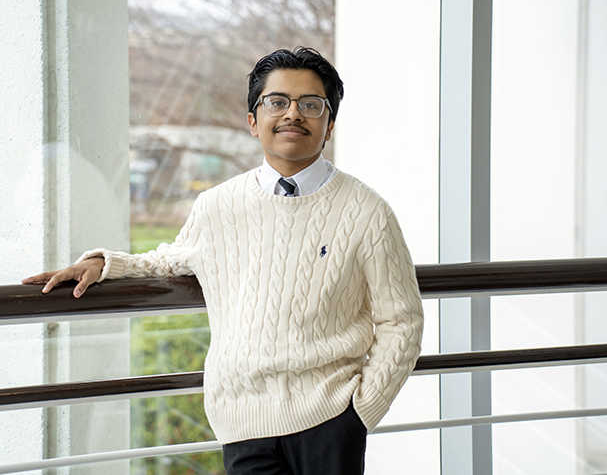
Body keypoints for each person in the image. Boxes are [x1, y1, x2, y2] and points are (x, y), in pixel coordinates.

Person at [23, 47, 424, 475]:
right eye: (277, 102)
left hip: (331, 418)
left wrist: (362, 411)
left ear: (328, 127)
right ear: (253, 121)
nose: (293, 114)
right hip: (241, 421)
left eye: (311, 105)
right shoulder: (217, 206)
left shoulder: (367, 212)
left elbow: (402, 319)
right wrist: (106, 264)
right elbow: (169, 260)